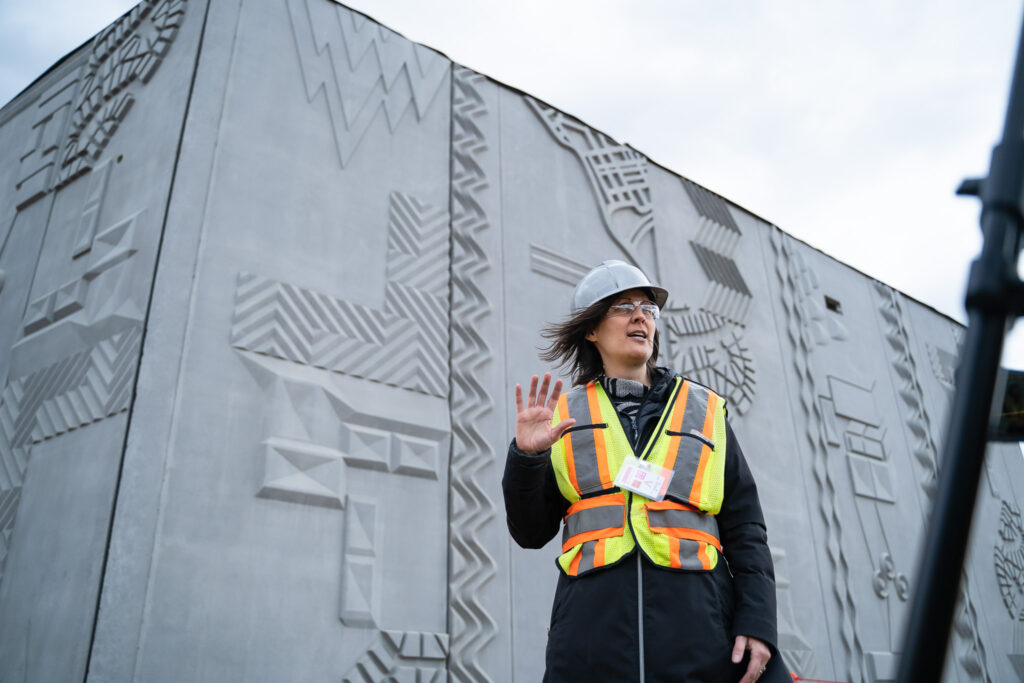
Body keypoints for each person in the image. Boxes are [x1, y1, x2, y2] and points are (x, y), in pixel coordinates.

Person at [502, 260, 787, 683]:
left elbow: (746, 528)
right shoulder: (562, 419)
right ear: (591, 330)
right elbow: (529, 532)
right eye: (623, 307)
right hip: (591, 644)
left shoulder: (704, 411)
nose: (641, 316)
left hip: (700, 638)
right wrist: (527, 459)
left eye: (648, 308)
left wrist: (758, 623)